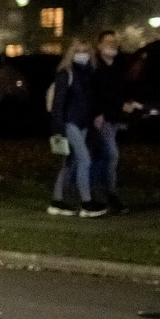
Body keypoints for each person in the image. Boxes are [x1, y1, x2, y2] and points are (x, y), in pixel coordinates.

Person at [48, 38, 105, 217]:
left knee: (69, 163)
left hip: (83, 123)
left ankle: (57, 201)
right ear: (71, 53)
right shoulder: (66, 73)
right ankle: (87, 203)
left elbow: (91, 99)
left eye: (85, 51)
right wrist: (58, 128)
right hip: (70, 122)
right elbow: (58, 103)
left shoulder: (89, 73)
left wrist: (95, 116)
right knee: (84, 160)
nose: (83, 55)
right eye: (78, 51)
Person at [91, 30, 128, 214]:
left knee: (104, 159)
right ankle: (109, 195)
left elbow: (117, 94)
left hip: (112, 118)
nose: (112, 45)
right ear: (99, 45)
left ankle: (98, 195)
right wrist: (98, 113)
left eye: (114, 42)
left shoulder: (116, 68)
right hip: (101, 120)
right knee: (111, 156)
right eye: (107, 42)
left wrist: (123, 110)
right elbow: (94, 94)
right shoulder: (96, 68)